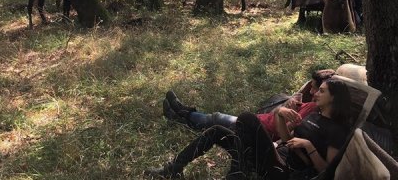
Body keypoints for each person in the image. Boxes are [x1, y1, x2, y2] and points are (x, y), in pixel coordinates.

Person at [146, 78, 351, 179]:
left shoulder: (336, 130)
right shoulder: (314, 114)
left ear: (334, 98)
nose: (315, 94)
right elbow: (286, 137)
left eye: (322, 91)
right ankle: (173, 169)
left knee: (246, 119)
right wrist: (280, 115)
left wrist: (308, 145)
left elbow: (327, 171)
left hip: (285, 171)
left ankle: (238, 175)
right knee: (217, 129)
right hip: (273, 154)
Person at [163, 69, 335, 141]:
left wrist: (282, 112)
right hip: (260, 121)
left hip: (260, 131)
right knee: (216, 120)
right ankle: (183, 113)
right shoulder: (310, 105)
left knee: (216, 119)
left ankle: (181, 116)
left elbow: (286, 133)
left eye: (316, 89)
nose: (311, 92)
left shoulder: (313, 110)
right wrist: (287, 106)